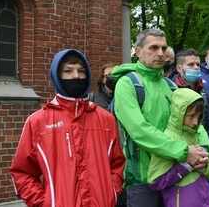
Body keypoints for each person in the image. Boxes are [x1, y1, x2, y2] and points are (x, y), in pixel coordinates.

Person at [9, 49, 126, 207]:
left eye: (81, 71)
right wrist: (45, 203)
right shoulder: (37, 122)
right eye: (68, 71)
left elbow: (117, 164)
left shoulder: (106, 119)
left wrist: (111, 191)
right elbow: (22, 173)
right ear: (57, 76)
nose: (76, 76)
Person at [111, 29, 209, 206]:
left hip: (175, 174)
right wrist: (185, 152)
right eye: (153, 48)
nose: (160, 53)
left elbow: (195, 122)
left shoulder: (170, 85)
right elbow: (139, 130)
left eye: (163, 48)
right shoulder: (127, 84)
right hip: (143, 177)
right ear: (138, 51)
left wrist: (204, 150)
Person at [148, 88, 209, 207]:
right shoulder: (168, 138)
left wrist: (204, 166)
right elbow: (155, 181)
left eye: (199, 117)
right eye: (191, 116)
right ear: (179, 112)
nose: (195, 122)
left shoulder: (194, 134)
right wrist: (186, 166)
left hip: (205, 199)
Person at [172, 48, 209, 152]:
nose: (195, 68)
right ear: (179, 68)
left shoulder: (205, 94)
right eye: (190, 65)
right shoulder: (171, 91)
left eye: (198, 65)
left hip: (203, 151)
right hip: (179, 151)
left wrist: (208, 149)